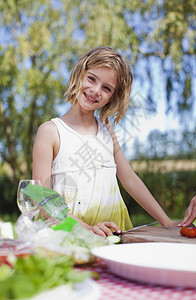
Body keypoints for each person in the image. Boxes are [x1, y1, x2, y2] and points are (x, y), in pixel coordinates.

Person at [32, 46, 180, 237]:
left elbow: (129, 179)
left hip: (113, 233)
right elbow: (43, 200)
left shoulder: (107, 130)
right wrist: (88, 230)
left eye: (106, 88)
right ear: (79, 74)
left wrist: (166, 221)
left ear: (113, 97)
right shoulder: (51, 131)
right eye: (91, 79)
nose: (95, 90)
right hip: (68, 235)